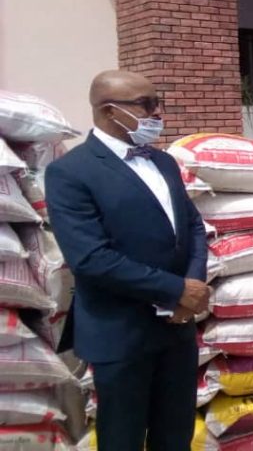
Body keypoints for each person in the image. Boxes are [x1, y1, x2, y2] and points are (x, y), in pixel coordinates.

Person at [46, 71, 210, 450]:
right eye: (147, 105)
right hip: (120, 332)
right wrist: (175, 289)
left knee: (176, 432)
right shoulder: (70, 172)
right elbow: (90, 258)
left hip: (177, 327)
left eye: (158, 103)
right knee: (122, 436)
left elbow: (193, 227)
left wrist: (192, 289)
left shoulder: (164, 163)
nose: (157, 114)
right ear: (109, 111)